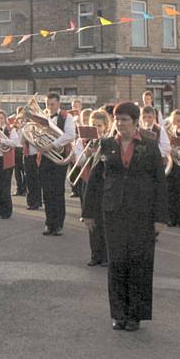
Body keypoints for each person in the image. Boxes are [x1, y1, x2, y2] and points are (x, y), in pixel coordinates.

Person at [83, 101, 167, 331]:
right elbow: (95, 179)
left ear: (135, 122)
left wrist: (160, 217)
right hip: (113, 212)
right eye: (118, 119)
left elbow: (160, 182)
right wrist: (88, 213)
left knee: (139, 262)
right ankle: (119, 313)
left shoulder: (149, 146)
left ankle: (135, 315)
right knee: (117, 262)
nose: (120, 124)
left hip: (142, 213)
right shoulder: (107, 144)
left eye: (125, 120)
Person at [76, 108, 112, 267]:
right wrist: (88, 155)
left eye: (99, 126)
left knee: (104, 220)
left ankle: (105, 256)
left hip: (103, 184)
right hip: (87, 181)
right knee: (90, 219)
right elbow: (78, 162)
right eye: (93, 125)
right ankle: (95, 255)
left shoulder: (109, 142)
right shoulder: (82, 141)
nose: (96, 129)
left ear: (105, 127)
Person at [39, 93, 76, 236]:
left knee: (57, 192)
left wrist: (52, 145)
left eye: (52, 104)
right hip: (45, 158)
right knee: (47, 193)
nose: (49, 107)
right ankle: (49, 224)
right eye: (48, 104)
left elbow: (70, 135)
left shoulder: (67, 117)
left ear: (58, 104)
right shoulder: (43, 117)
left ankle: (58, 224)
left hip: (59, 157)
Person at [21, 116, 42, 211]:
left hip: (37, 156)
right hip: (28, 155)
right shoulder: (25, 129)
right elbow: (21, 142)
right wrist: (24, 133)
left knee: (36, 179)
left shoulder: (40, 129)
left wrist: (33, 137)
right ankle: (30, 201)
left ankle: (37, 201)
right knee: (29, 179)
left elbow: (40, 143)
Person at [11, 108, 26, 196]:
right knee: (16, 171)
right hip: (16, 148)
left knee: (24, 171)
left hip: (23, 148)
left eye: (22, 113)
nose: (20, 115)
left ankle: (24, 188)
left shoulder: (27, 124)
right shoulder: (14, 124)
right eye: (18, 114)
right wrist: (15, 127)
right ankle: (18, 188)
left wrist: (22, 127)